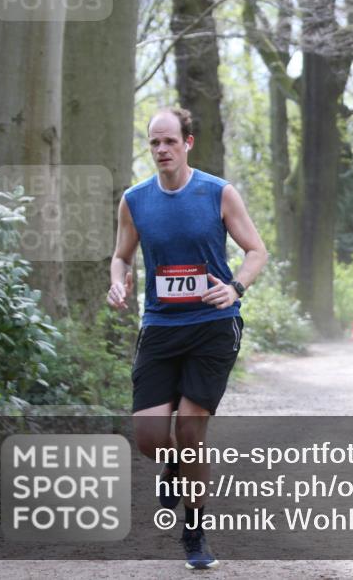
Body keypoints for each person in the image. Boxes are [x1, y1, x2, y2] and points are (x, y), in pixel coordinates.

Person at [107, 107, 268, 570]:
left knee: (192, 431)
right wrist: (118, 281)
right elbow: (121, 256)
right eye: (154, 142)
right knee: (151, 438)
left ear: (188, 143)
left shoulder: (217, 193)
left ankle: (195, 532)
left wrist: (235, 287)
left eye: (170, 142)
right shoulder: (135, 200)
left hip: (213, 327)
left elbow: (256, 251)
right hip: (160, 326)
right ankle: (174, 464)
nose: (161, 150)